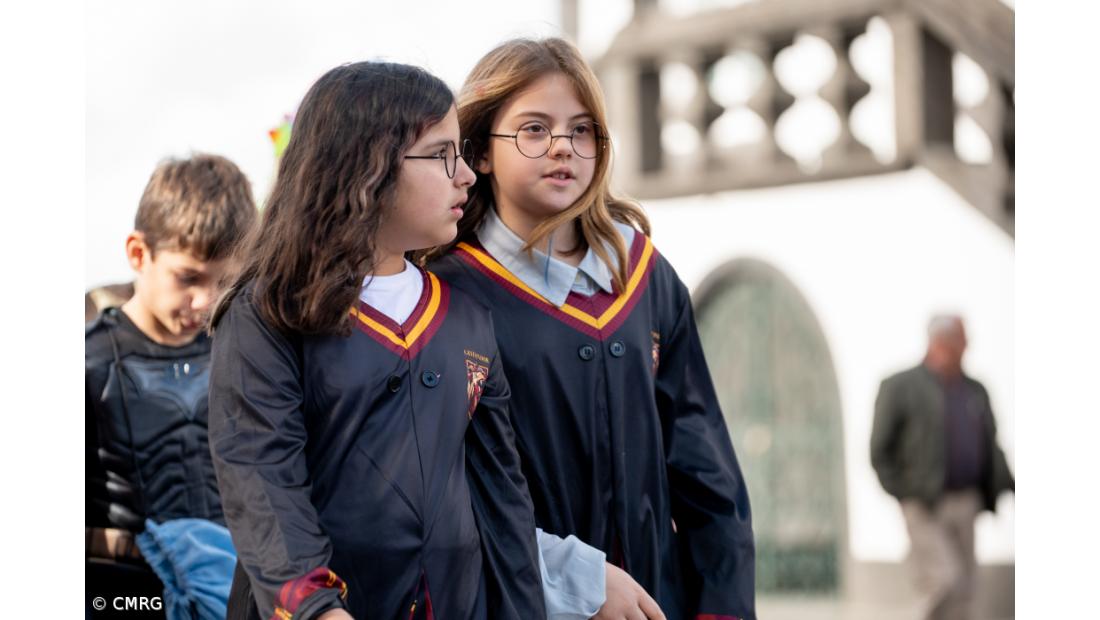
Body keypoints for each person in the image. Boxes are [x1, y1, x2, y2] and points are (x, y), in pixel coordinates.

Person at [207, 60, 653, 620]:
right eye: (443, 155)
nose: (465, 175)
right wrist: (316, 608)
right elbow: (262, 482)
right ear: (365, 166)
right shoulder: (266, 313)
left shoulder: (465, 317)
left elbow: (503, 502)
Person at [420, 37, 755, 620]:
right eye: (533, 129)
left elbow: (706, 471)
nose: (562, 149)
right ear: (478, 152)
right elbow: (450, 493)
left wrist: (722, 606)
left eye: (582, 130)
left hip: (659, 604)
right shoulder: (448, 295)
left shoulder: (645, 276)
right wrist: (571, 581)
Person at [85, 153, 258, 618]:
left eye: (223, 281)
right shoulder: (85, 364)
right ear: (140, 254)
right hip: (123, 594)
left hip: (238, 593)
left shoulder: (248, 354)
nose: (204, 300)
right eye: (188, 278)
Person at [871, 315, 1015, 620]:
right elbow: (879, 450)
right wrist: (905, 494)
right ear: (942, 342)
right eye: (962, 339)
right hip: (924, 505)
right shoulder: (902, 386)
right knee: (942, 581)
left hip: (967, 502)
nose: (967, 346)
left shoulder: (975, 390)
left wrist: (1008, 484)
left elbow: (991, 444)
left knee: (965, 591)